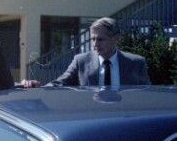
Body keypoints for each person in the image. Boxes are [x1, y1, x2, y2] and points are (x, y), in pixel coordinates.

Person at [22, 17, 151, 88]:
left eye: (100, 39)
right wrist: (35, 86)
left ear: (116, 38)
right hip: (92, 121)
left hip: (123, 120)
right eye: (93, 39)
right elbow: (59, 84)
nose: (95, 44)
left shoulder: (136, 63)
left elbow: (146, 94)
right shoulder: (81, 61)